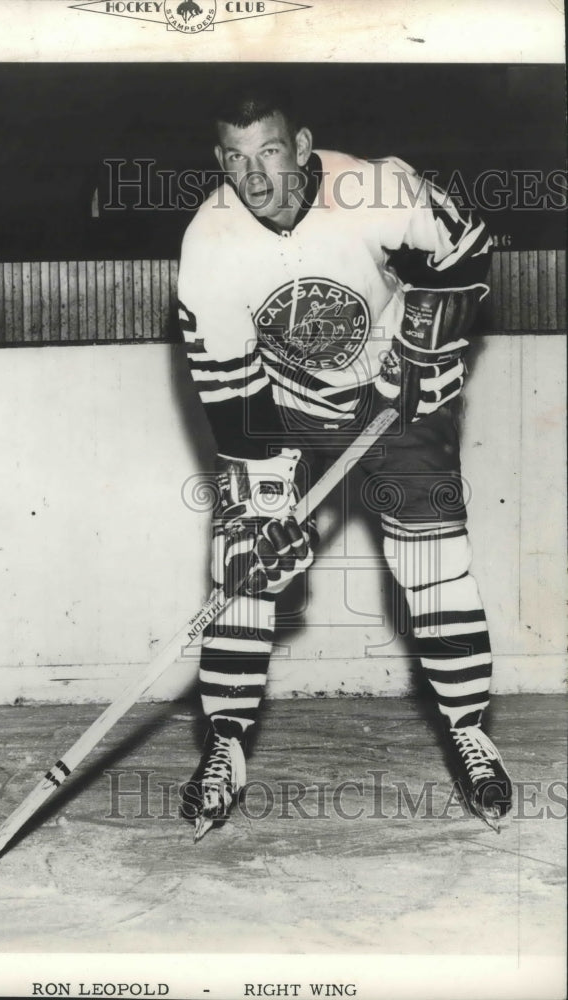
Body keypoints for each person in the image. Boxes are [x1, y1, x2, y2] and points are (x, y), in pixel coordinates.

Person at [176, 84, 512, 840]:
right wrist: (264, 499)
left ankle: (467, 729)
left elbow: (469, 244)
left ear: (301, 147)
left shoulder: (375, 187)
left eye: (268, 151)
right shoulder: (210, 244)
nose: (255, 178)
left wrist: (435, 338)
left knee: (433, 564)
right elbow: (228, 389)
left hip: (400, 397)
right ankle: (225, 744)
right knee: (246, 561)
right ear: (219, 162)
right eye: (235, 159)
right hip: (285, 409)